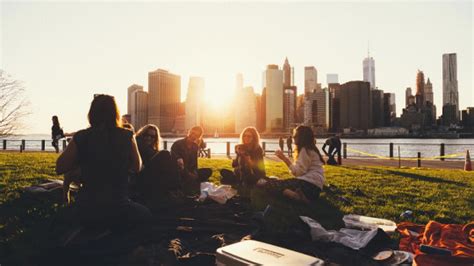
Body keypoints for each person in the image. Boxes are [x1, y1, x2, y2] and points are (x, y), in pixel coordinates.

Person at [56, 94, 151, 233]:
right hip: (118, 206)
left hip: (87, 207)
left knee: (63, 219)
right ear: (115, 114)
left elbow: (60, 167)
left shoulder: (81, 136)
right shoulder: (127, 136)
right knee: (146, 215)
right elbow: (137, 167)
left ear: (91, 114)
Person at [258, 125, 325, 204]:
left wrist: (284, 158)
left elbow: (298, 172)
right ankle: (298, 195)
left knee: (268, 185)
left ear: (302, 137)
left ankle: (295, 196)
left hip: (307, 185)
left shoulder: (305, 150)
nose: (293, 137)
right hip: (315, 190)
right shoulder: (312, 150)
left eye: (296, 135)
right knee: (278, 183)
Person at [135, 124, 179, 203]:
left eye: (152, 137)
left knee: (169, 160)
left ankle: (173, 189)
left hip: (149, 175)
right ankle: (174, 189)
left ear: (155, 139)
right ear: (142, 134)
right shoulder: (138, 143)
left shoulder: (150, 148)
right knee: (165, 154)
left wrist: (177, 159)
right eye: (146, 135)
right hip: (140, 176)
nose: (149, 138)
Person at [170, 126, 212, 194]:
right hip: (179, 171)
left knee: (208, 171)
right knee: (189, 177)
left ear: (198, 137)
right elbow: (175, 160)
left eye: (196, 135)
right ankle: (192, 182)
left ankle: (194, 181)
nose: (193, 136)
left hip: (190, 171)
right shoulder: (177, 144)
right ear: (189, 132)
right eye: (192, 133)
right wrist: (189, 174)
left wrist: (194, 172)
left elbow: (194, 164)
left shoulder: (195, 146)